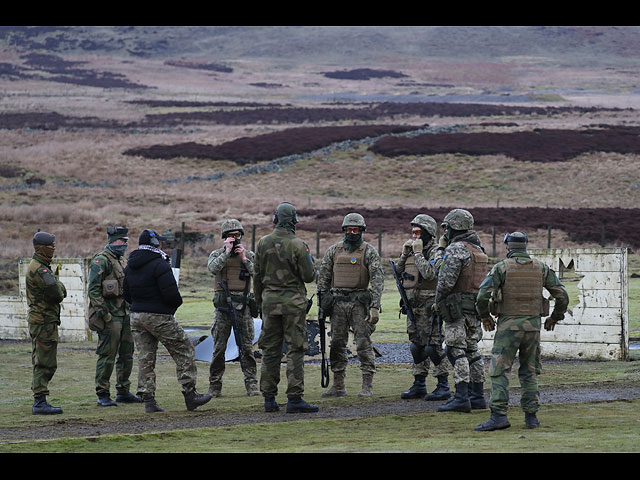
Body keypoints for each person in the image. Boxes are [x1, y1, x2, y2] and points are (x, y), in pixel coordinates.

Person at [474, 232, 569, 431]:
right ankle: (531, 417)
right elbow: (562, 296)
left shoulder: (501, 268)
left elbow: (482, 295)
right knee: (530, 371)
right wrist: (554, 318)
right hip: (533, 328)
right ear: (525, 247)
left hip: (508, 326)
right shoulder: (541, 268)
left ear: (508, 247)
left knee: (499, 370)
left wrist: (485, 316)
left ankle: (499, 416)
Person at [124, 229, 212, 413]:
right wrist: (170, 307)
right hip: (159, 316)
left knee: (146, 357)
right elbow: (172, 294)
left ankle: (148, 400)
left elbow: (126, 294)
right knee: (185, 350)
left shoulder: (130, 264)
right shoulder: (160, 263)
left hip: (136, 316)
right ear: (155, 243)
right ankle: (190, 395)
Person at [255, 202, 317, 413]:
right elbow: (309, 276)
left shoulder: (262, 243)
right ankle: (294, 398)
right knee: (295, 349)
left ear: (275, 219)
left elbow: (257, 276)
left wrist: (259, 303)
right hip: (293, 305)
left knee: (270, 351)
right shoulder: (299, 245)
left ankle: (269, 398)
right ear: (293, 221)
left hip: (269, 304)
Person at [316, 213, 384, 398]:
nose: (352, 233)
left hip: (359, 305)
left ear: (362, 231)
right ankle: (338, 386)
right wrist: (322, 305)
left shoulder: (369, 251)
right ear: (343, 230)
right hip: (337, 304)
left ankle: (367, 385)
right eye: (349, 230)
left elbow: (377, 280)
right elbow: (323, 280)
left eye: (356, 230)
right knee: (337, 344)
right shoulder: (334, 251)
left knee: (363, 343)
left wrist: (375, 307)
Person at [434, 208, 488, 413]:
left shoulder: (456, 249)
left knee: (455, 350)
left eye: (446, 228)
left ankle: (462, 397)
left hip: (456, 309)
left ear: (454, 227)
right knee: (472, 350)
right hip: (474, 308)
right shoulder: (479, 250)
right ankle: (477, 396)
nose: (444, 232)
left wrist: (437, 302)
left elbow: (445, 281)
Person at [395, 214, 451, 401]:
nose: (415, 236)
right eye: (413, 233)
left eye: (418, 232)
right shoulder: (411, 251)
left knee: (432, 347)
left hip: (430, 308)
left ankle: (443, 384)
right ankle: (419, 383)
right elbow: (397, 272)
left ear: (428, 233)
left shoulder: (437, 252)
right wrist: (404, 255)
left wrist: (418, 254)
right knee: (416, 347)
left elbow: (429, 273)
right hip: (412, 306)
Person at [88, 226, 141, 407]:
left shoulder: (121, 260)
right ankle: (102, 393)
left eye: (126, 241)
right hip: (110, 316)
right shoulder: (101, 261)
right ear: (113, 241)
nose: (125, 244)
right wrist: (104, 314)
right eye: (123, 241)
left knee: (127, 355)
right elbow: (93, 291)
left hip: (125, 314)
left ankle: (123, 391)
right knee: (107, 355)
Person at [207, 219, 259, 397]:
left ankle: (251, 385)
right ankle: (215, 386)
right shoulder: (217, 254)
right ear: (224, 238)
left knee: (246, 348)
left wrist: (244, 258)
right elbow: (213, 269)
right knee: (219, 348)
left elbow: (258, 274)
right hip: (223, 308)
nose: (234, 239)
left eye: (236, 236)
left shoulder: (249, 256)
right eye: (230, 236)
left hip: (243, 307)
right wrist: (226, 252)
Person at [26, 231, 67, 415]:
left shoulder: (42, 266)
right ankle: (40, 401)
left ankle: (40, 399)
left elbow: (58, 289)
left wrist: (59, 286)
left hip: (44, 320)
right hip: (43, 321)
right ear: (43, 248)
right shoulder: (40, 270)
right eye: (51, 245)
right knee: (45, 361)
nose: (54, 248)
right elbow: (58, 293)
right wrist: (59, 286)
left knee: (44, 359)